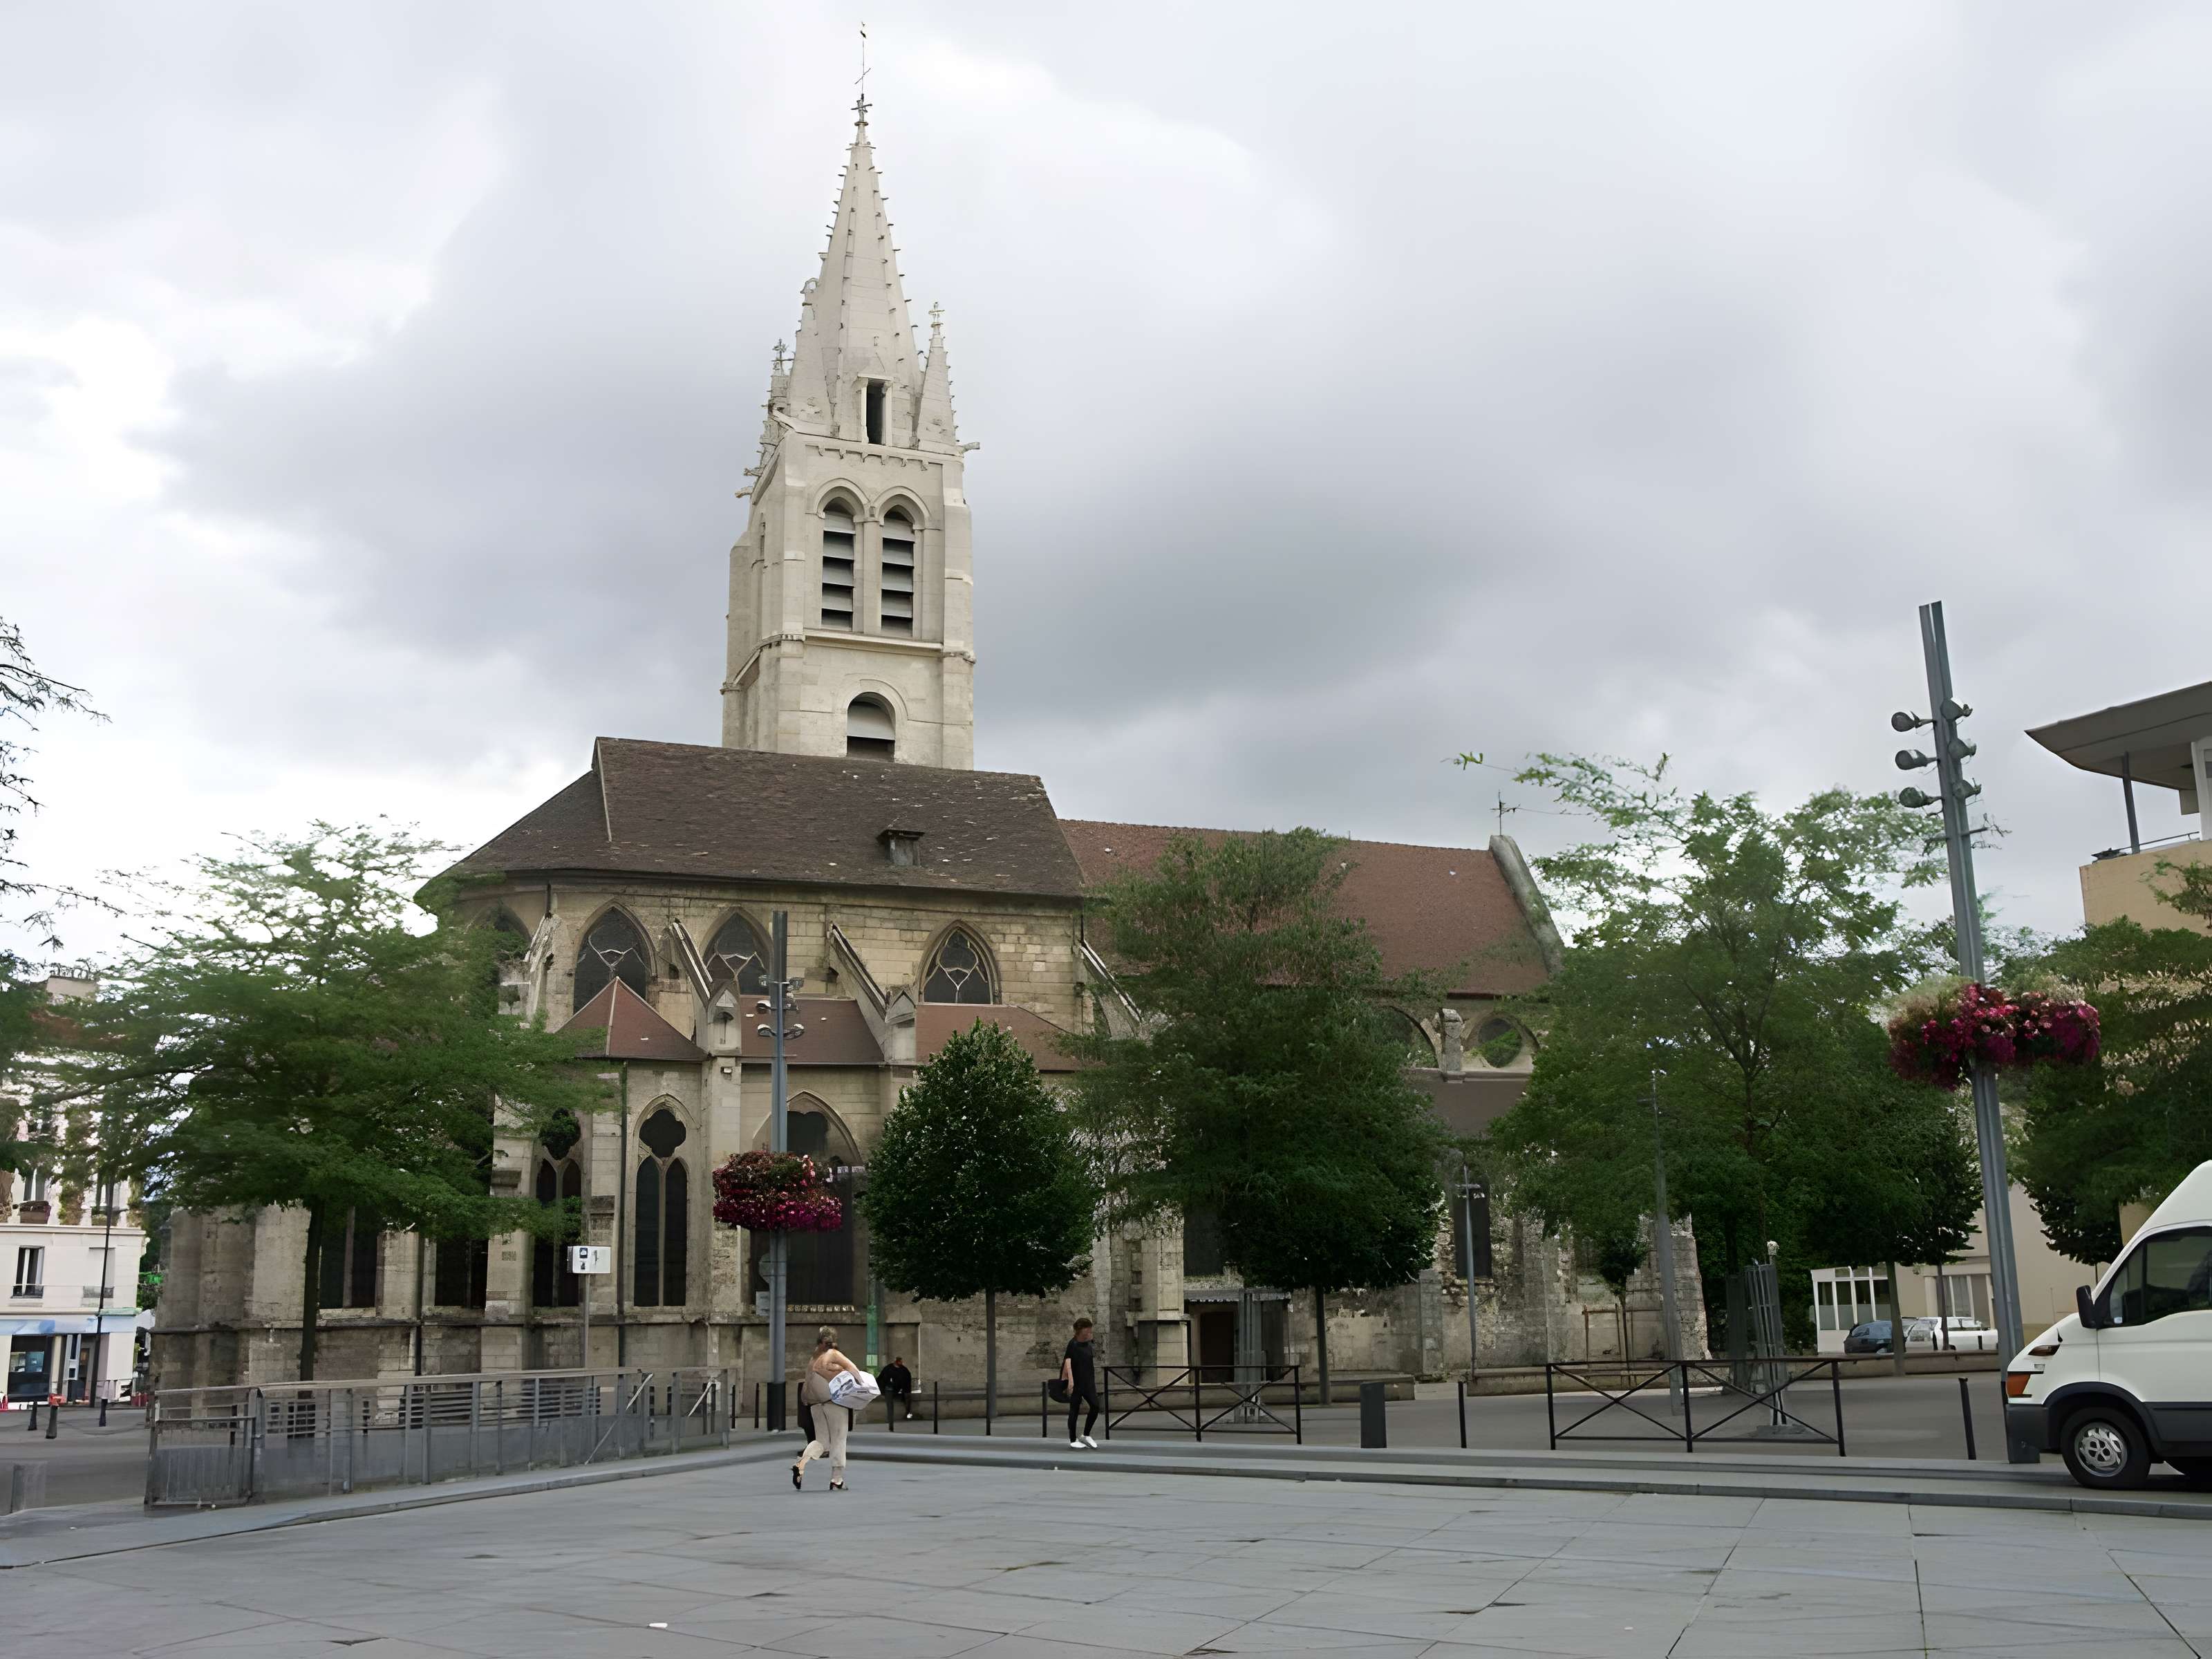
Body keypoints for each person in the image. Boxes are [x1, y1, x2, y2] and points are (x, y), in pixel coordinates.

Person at [793, 1326, 862, 1492]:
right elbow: (854, 1371)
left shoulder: (813, 1358)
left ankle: (801, 1462)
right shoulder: (834, 1355)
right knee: (839, 1440)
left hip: (816, 1405)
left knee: (822, 1441)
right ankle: (837, 1480)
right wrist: (862, 1386)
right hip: (834, 1403)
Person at [1060, 1317, 1100, 1449]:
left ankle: (1086, 1435)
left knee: (1095, 1406)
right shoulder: (1073, 1345)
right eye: (1087, 1330)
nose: (1089, 1333)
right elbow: (1067, 1364)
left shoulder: (1089, 1344)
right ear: (1080, 1331)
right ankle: (1073, 1439)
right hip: (1076, 1383)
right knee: (1074, 1410)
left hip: (1088, 1382)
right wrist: (1068, 1383)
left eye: (1090, 1330)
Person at [877, 1355, 915, 1420]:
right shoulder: (888, 1369)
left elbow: (907, 1381)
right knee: (889, 1400)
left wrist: (906, 1391)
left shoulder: (904, 1370)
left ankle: (908, 1414)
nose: (901, 1363)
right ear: (897, 1362)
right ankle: (890, 1417)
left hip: (900, 1388)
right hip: (889, 1389)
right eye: (900, 1362)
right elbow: (881, 1379)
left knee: (908, 1397)